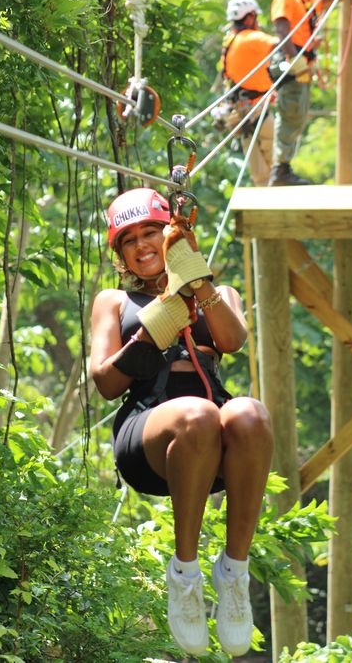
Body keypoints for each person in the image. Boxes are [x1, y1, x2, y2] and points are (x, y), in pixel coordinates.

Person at [90, 187, 273, 657]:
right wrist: (150, 333)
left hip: (212, 442)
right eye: (128, 240)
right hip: (148, 436)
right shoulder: (113, 302)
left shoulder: (219, 292)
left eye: (151, 232)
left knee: (249, 412)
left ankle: (233, 571)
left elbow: (232, 340)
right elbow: (106, 383)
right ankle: (185, 575)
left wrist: (196, 283)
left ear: (172, 237)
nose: (141, 245)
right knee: (197, 414)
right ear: (121, 254)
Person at [268, 0, 338, 186]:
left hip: (302, 62)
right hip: (292, 60)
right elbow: (282, 29)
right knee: (290, 112)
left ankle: (283, 167)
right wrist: (293, 58)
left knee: (298, 114)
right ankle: (279, 170)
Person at [220, 0, 278, 187]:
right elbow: (279, 43)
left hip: (240, 109)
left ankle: (264, 190)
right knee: (270, 156)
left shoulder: (230, 40)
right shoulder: (253, 38)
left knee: (255, 160)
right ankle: (269, 192)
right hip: (257, 107)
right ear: (249, 17)